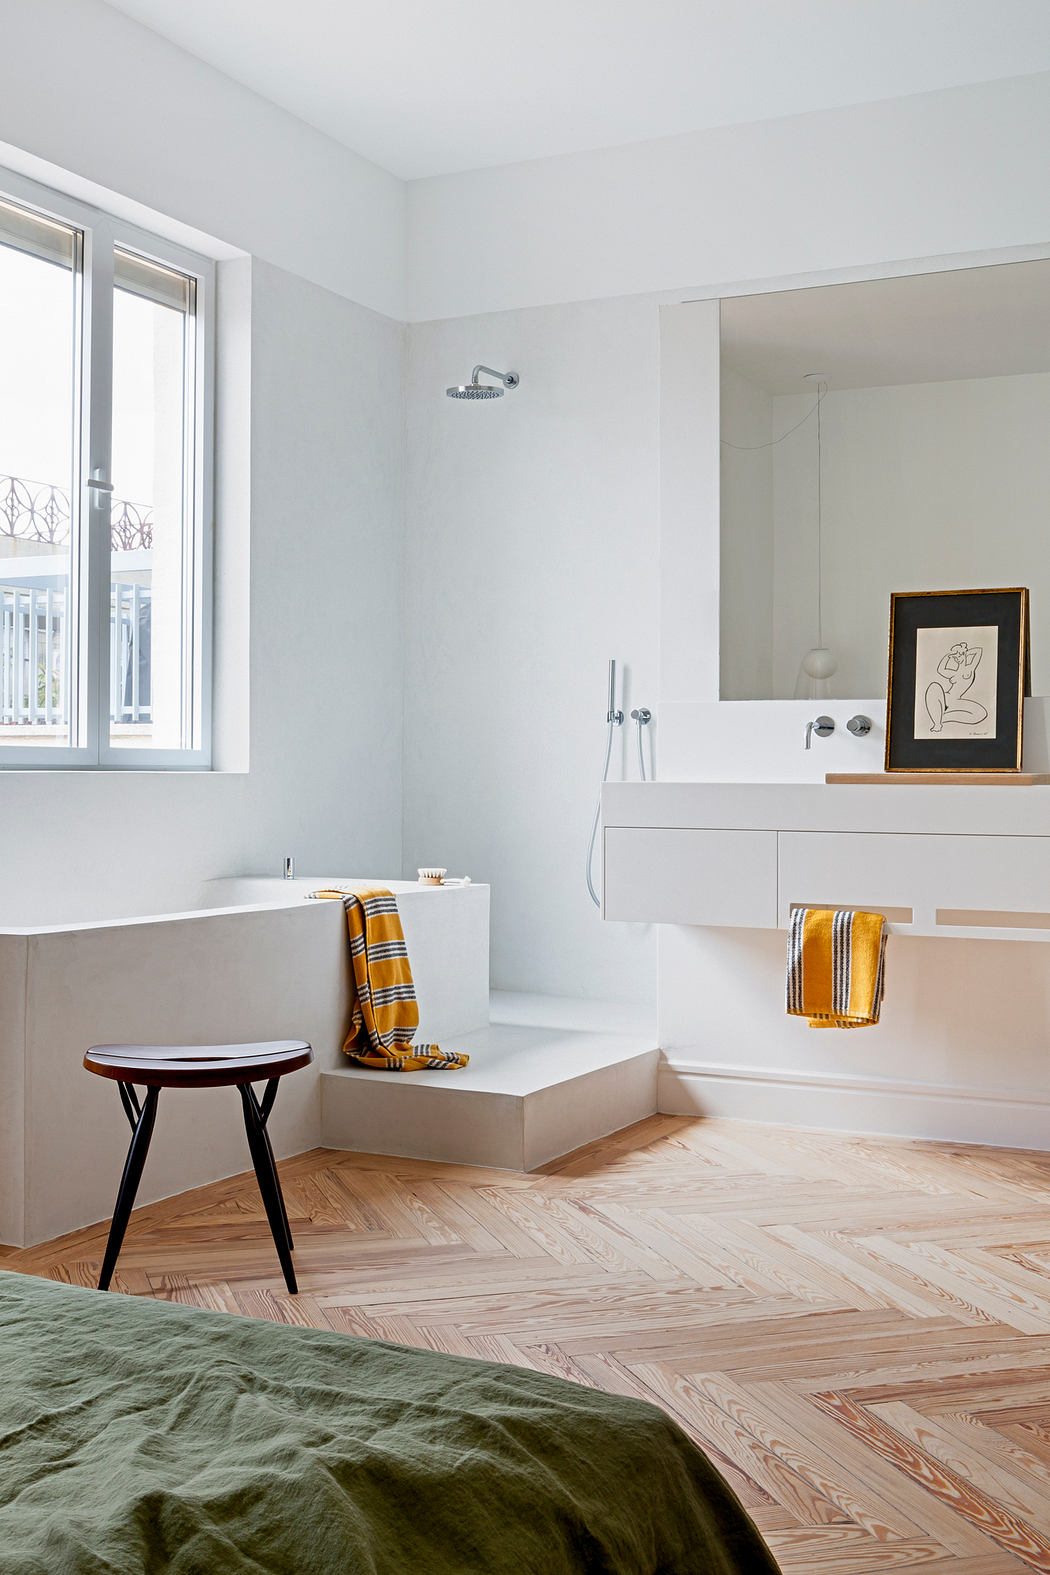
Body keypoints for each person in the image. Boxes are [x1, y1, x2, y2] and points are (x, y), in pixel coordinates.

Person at [924, 642, 987, 732]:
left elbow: (979, 651)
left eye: (959, 656)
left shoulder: (969, 669)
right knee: (934, 687)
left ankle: (941, 719)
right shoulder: (954, 672)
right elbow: (940, 669)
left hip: (956, 700)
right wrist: (949, 655)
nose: (957, 658)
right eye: (955, 657)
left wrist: (964, 652)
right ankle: (937, 724)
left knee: (981, 713)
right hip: (947, 697)